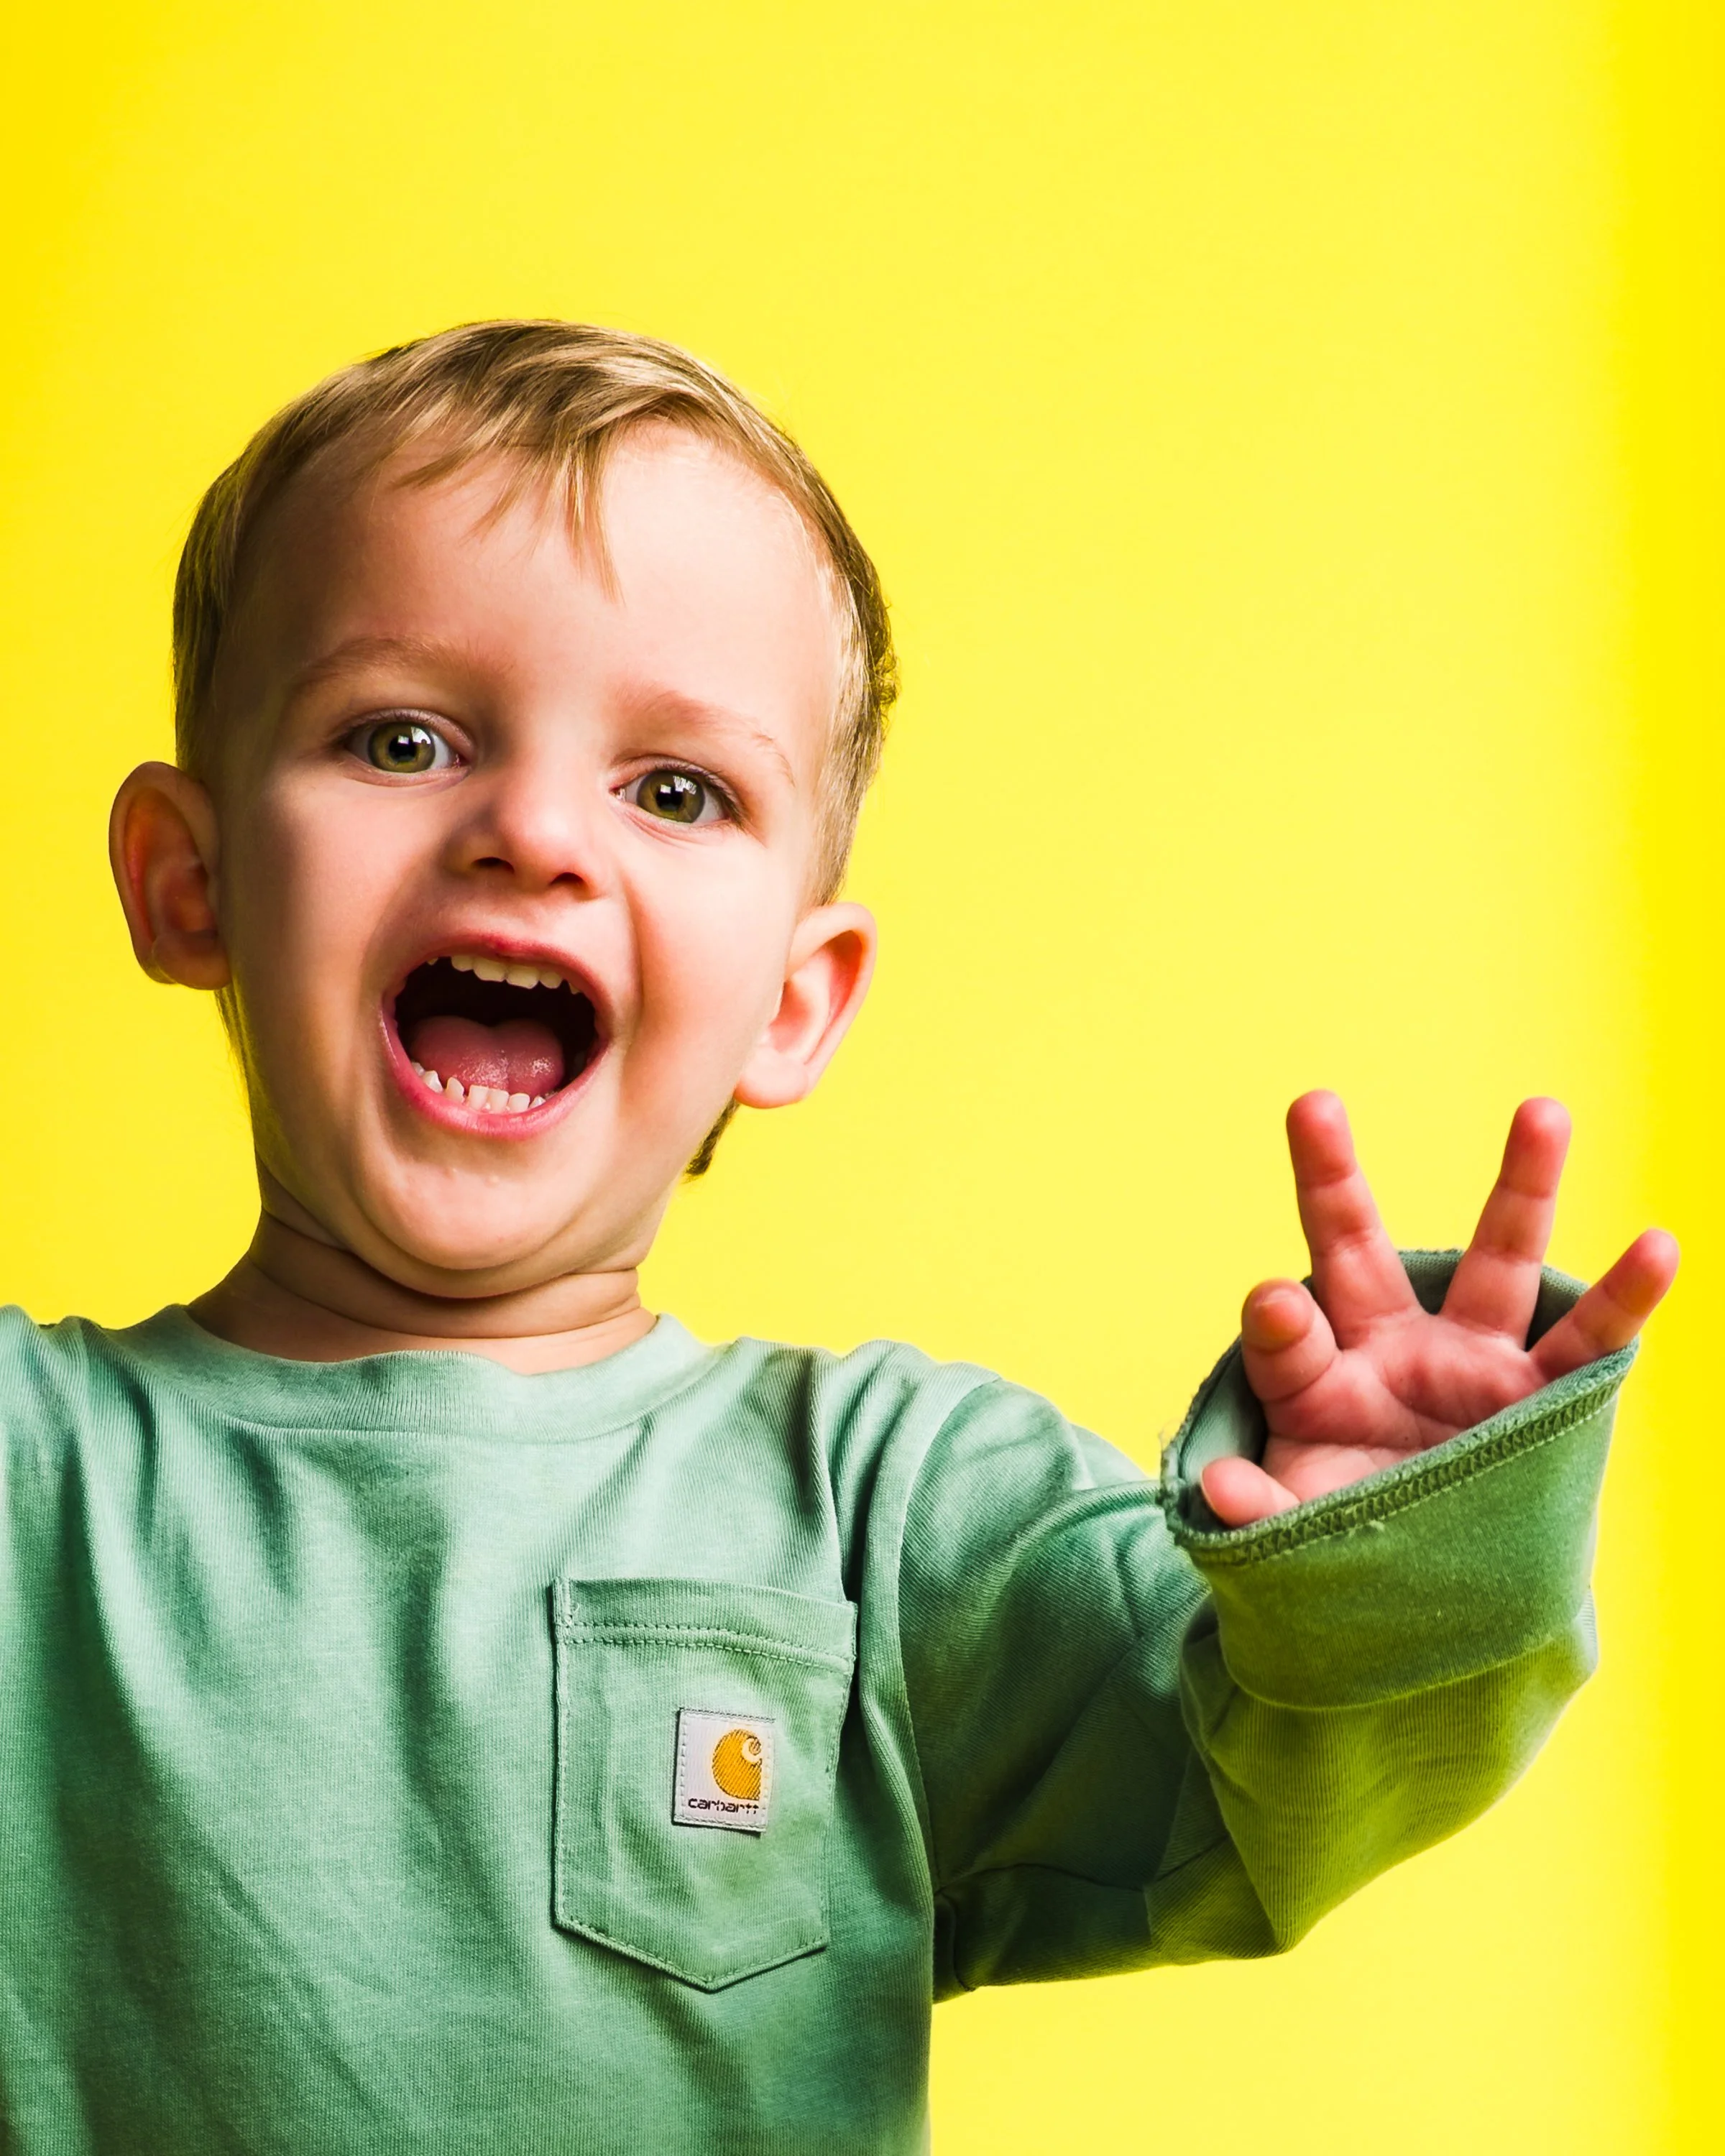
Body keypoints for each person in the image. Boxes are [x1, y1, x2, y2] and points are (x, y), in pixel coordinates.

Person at [0, 321, 1677, 2155]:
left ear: (798, 1003)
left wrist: (1378, 1552)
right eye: (403, 737)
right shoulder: (36, 1481)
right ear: (190, 878)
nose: (537, 832)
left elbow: (1254, 1789)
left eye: (678, 790)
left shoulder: (892, 1509)